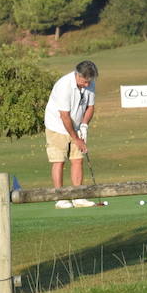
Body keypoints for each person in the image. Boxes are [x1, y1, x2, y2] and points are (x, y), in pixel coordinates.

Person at [46, 59, 98, 208]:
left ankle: (78, 196)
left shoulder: (89, 83)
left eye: (90, 81)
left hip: (75, 125)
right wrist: (76, 139)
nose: (88, 85)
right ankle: (60, 198)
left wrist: (84, 125)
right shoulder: (64, 86)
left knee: (77, 159)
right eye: (85, 81)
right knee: (59, 161)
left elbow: (90, 107)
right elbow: (64, 116)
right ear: (77, 75)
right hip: (57, 126)